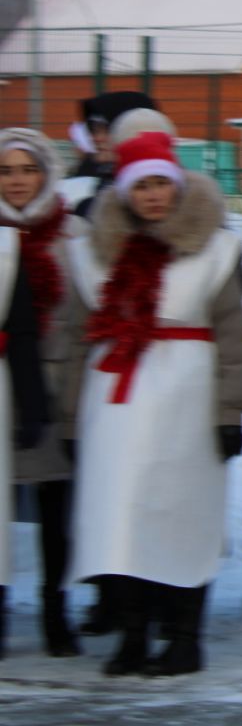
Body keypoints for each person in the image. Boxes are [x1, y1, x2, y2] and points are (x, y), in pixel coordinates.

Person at [62, 130, 242, 676]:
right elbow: (77, 339)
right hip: (115, 405)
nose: (151, 196)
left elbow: (234, 340)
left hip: (187, 400)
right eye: (139, 186)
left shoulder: (215, 251)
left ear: (177, 187)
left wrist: (230, 412)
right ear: (123, 193)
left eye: (160, 185)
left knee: (183, 510)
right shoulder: (91, 257)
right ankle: (134, 633)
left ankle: (186, 637)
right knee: (118, 514)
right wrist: (72, 419)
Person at [2, 128, 81, 658]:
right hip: (1, 387)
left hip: (55, 385)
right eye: (6, 172)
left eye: (28, 169)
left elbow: (84, 313)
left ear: (47, 173)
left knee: (59, 505)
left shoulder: (72, 235)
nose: (17, 182)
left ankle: (57, 610)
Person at [57, 92, 158, 211]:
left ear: (135, 131)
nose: (96, 138)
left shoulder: (168, 190)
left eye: (107, 129)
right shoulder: (104, 184)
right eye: (93, 129)